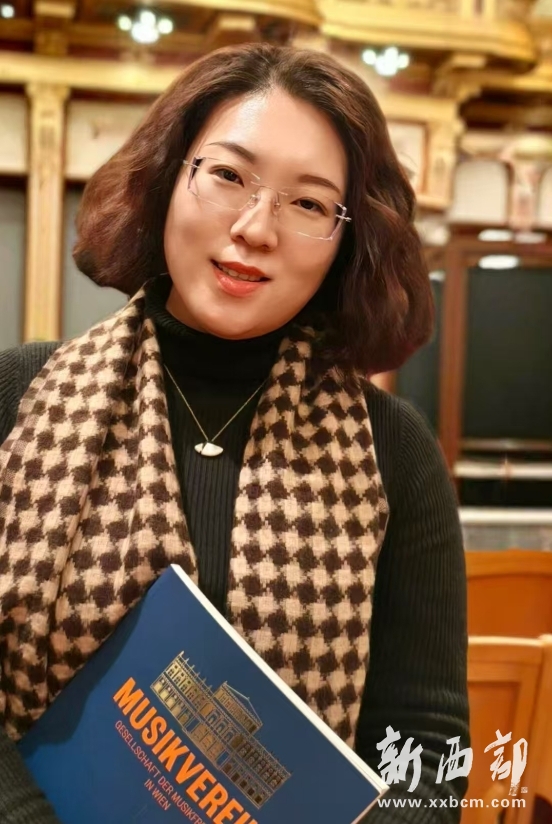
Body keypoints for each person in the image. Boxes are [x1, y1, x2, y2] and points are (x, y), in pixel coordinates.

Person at [0, 43, 469, 822]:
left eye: (309, 204)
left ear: (348, 242)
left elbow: (423, 749)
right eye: (227, 174)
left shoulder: (395, 453)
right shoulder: (16, 397)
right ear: (167, 179)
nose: (255, 228)